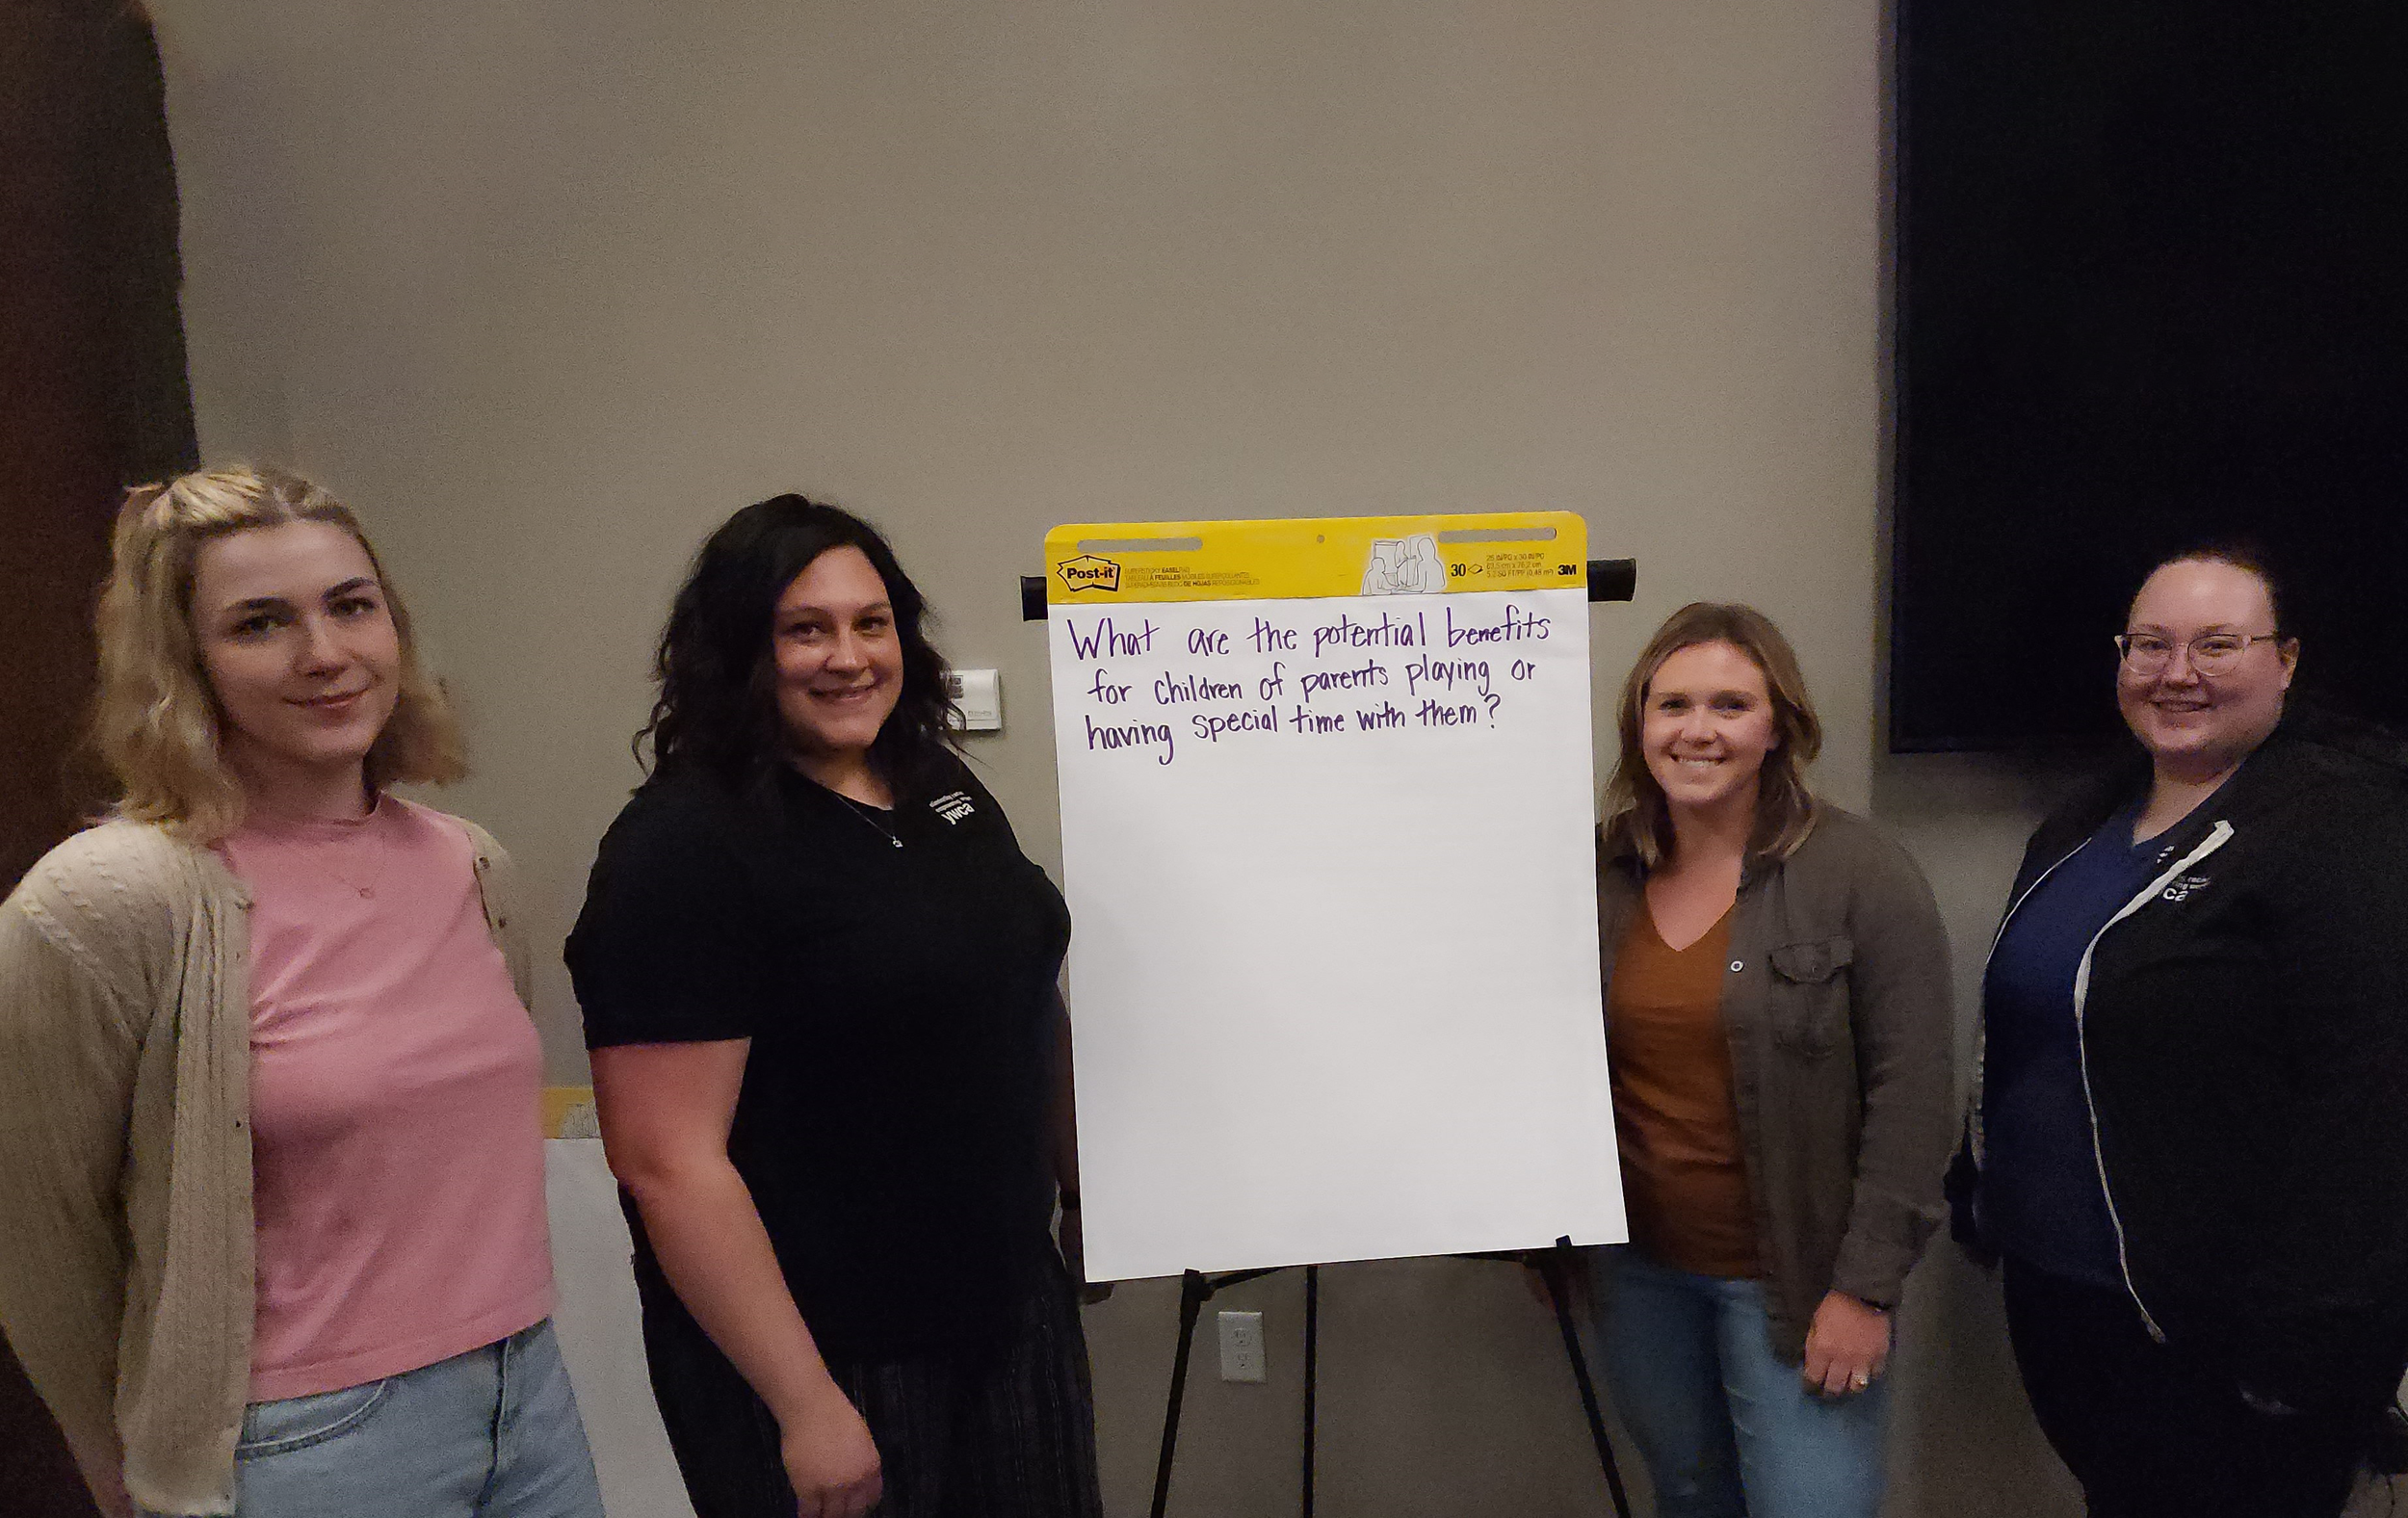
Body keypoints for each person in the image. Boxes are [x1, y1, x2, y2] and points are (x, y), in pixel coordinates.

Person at [0, 467, 604, 1518]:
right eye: (260, 623)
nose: (324, 655)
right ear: (186, 663)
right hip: (303, 1447)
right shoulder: (107, 900)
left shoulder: (471, 865)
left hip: (528, 1399)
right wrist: (133, 1478)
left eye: (351, 606)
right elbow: (42, 1246)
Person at [566, 494, 1103, 1518]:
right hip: (830, 1356)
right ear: (738, 652)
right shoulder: (683, 848)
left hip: (1006, 1315)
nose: (848, 656)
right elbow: (665, 1160)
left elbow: (1018, 988)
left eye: (871, 622)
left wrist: (1084, 1196)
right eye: (803, 630)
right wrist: (806, 1404)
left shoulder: (934, 786)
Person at [1950, 545, 2408, 1518]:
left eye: (2217, 644)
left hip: (2231, 1333)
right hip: (2065, 1292)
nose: (2177, 671)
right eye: (2149, 644)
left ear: (2284, 660)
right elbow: (2036, 1016)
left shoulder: (2345, 827)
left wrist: (2311, 1346)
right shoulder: (2089, 813)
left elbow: (2371, 1104)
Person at [1587, 602, 1954, 1518]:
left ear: (1779, 724)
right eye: (1672, 705)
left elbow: (1911, 1099)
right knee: (1690, 1496)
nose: (1697, 730)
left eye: (1729, 705)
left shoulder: (1861, 874)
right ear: (1641, 724)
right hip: (1637, 1273)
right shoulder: (1601, 874)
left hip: (1797, 1285)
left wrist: (1865, 1292)